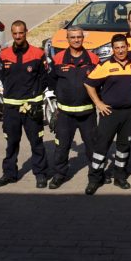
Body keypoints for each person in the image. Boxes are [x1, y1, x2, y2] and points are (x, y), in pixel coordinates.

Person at [0, 20, 50, 189]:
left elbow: (44, 78)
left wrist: (33, 95)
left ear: (26, 33)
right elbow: (2, 77)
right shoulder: (4, 55)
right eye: (15, 33)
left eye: (21, 33)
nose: (18, 36)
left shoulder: (38, 54)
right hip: (11, 108)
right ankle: (9, 174)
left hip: (31, 107)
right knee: (11, 143)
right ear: (12, 34)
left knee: (36, 143)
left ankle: (40, 174)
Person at [84, 34, 131, 195]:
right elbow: (88, 84)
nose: (121, 50)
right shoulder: (105, 65)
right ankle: (94, 179)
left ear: (127, 47)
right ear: (112, 49)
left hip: (128, 114)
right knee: (101, 147)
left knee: (124, 147)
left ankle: (120, 177)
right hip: (110, 114)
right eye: (117, 48)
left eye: (123, 47)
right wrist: (98, 103)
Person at [46, 25, 99, 189]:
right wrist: (63, 93)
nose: (76, 40)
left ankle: (96, 175)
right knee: (61, 147)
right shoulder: (58, 59)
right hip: (65, 114)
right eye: (73, 37)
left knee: (92, 146)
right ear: (67, 39)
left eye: (79, 37)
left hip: (87, 113)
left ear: (83, 38)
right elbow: (51, 80)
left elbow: (100, 83)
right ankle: (59, 174)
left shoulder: (93, 59)